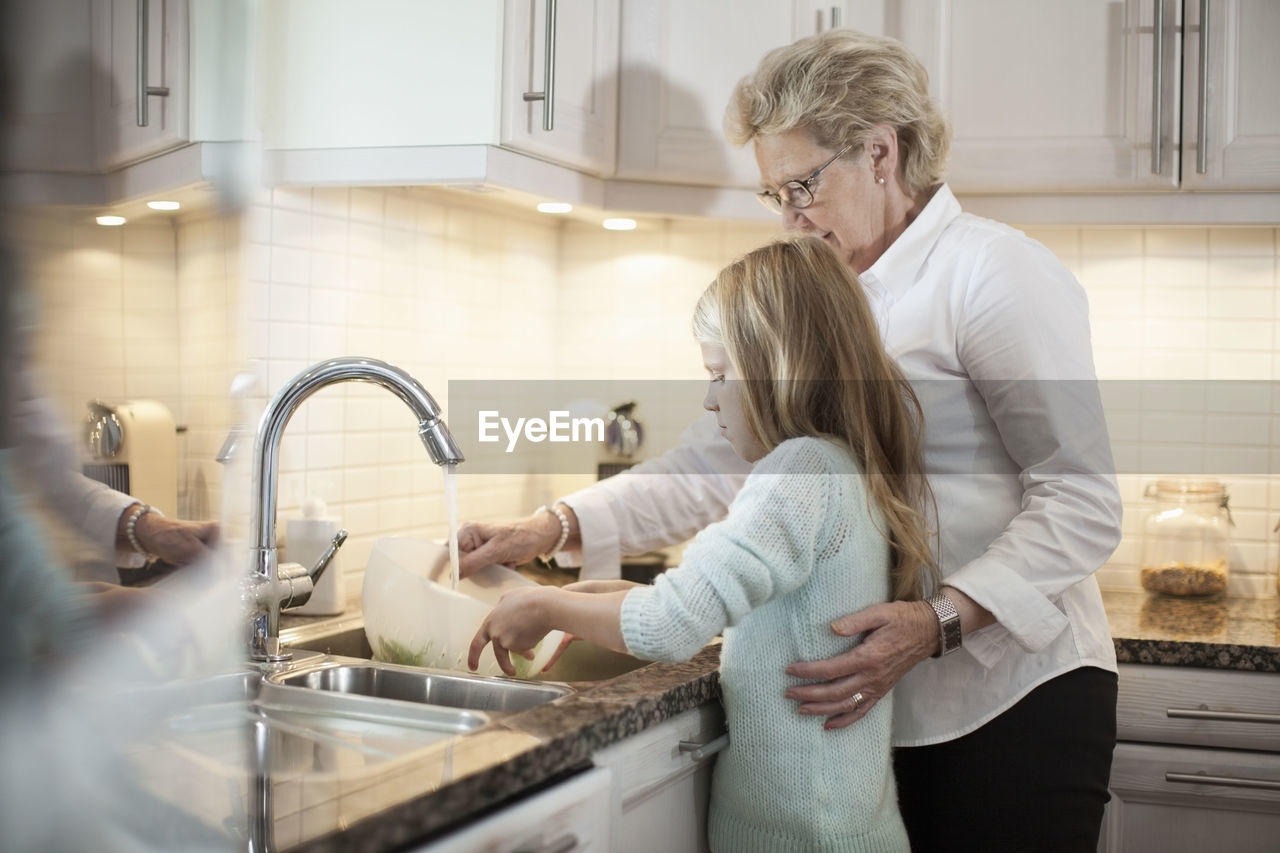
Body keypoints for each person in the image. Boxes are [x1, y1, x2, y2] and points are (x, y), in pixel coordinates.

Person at [459, 28, 1123, 853]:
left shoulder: (996, 276)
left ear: (881, 153)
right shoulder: (817, 290)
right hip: (867, 712)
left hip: (1007, 700)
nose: (789, 215)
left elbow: (1083, 500)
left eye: (802, 185)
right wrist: (552, 526)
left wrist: (936, 622)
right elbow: (719, 462)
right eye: (773, 195)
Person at [470, 236, 934, 852]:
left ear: (781, 368)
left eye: (721, 375)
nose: (709, 399)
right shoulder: (838, 464)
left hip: (803, 839)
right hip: (839, 826)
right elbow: (775, 615)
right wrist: (608, 599)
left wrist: (547, 607)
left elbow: (671, 625)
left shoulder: (796, 473)